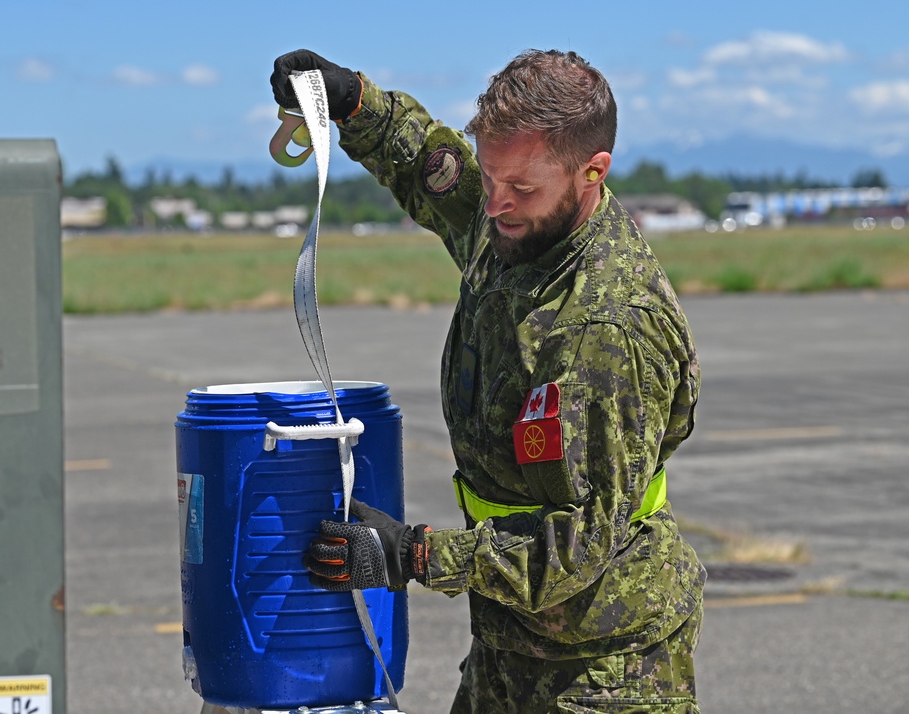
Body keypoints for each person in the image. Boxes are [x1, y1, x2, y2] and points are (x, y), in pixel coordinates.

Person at [271, 48, 706, 713]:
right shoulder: (520, 221)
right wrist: (355, 102)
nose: (495, 204)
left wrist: (412, 556)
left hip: (603, 669)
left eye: (521, 188)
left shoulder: (607, 329)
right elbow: (431, 170)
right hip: (512, 640)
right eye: (492, 175)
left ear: (592, 173)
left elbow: (579, 545)